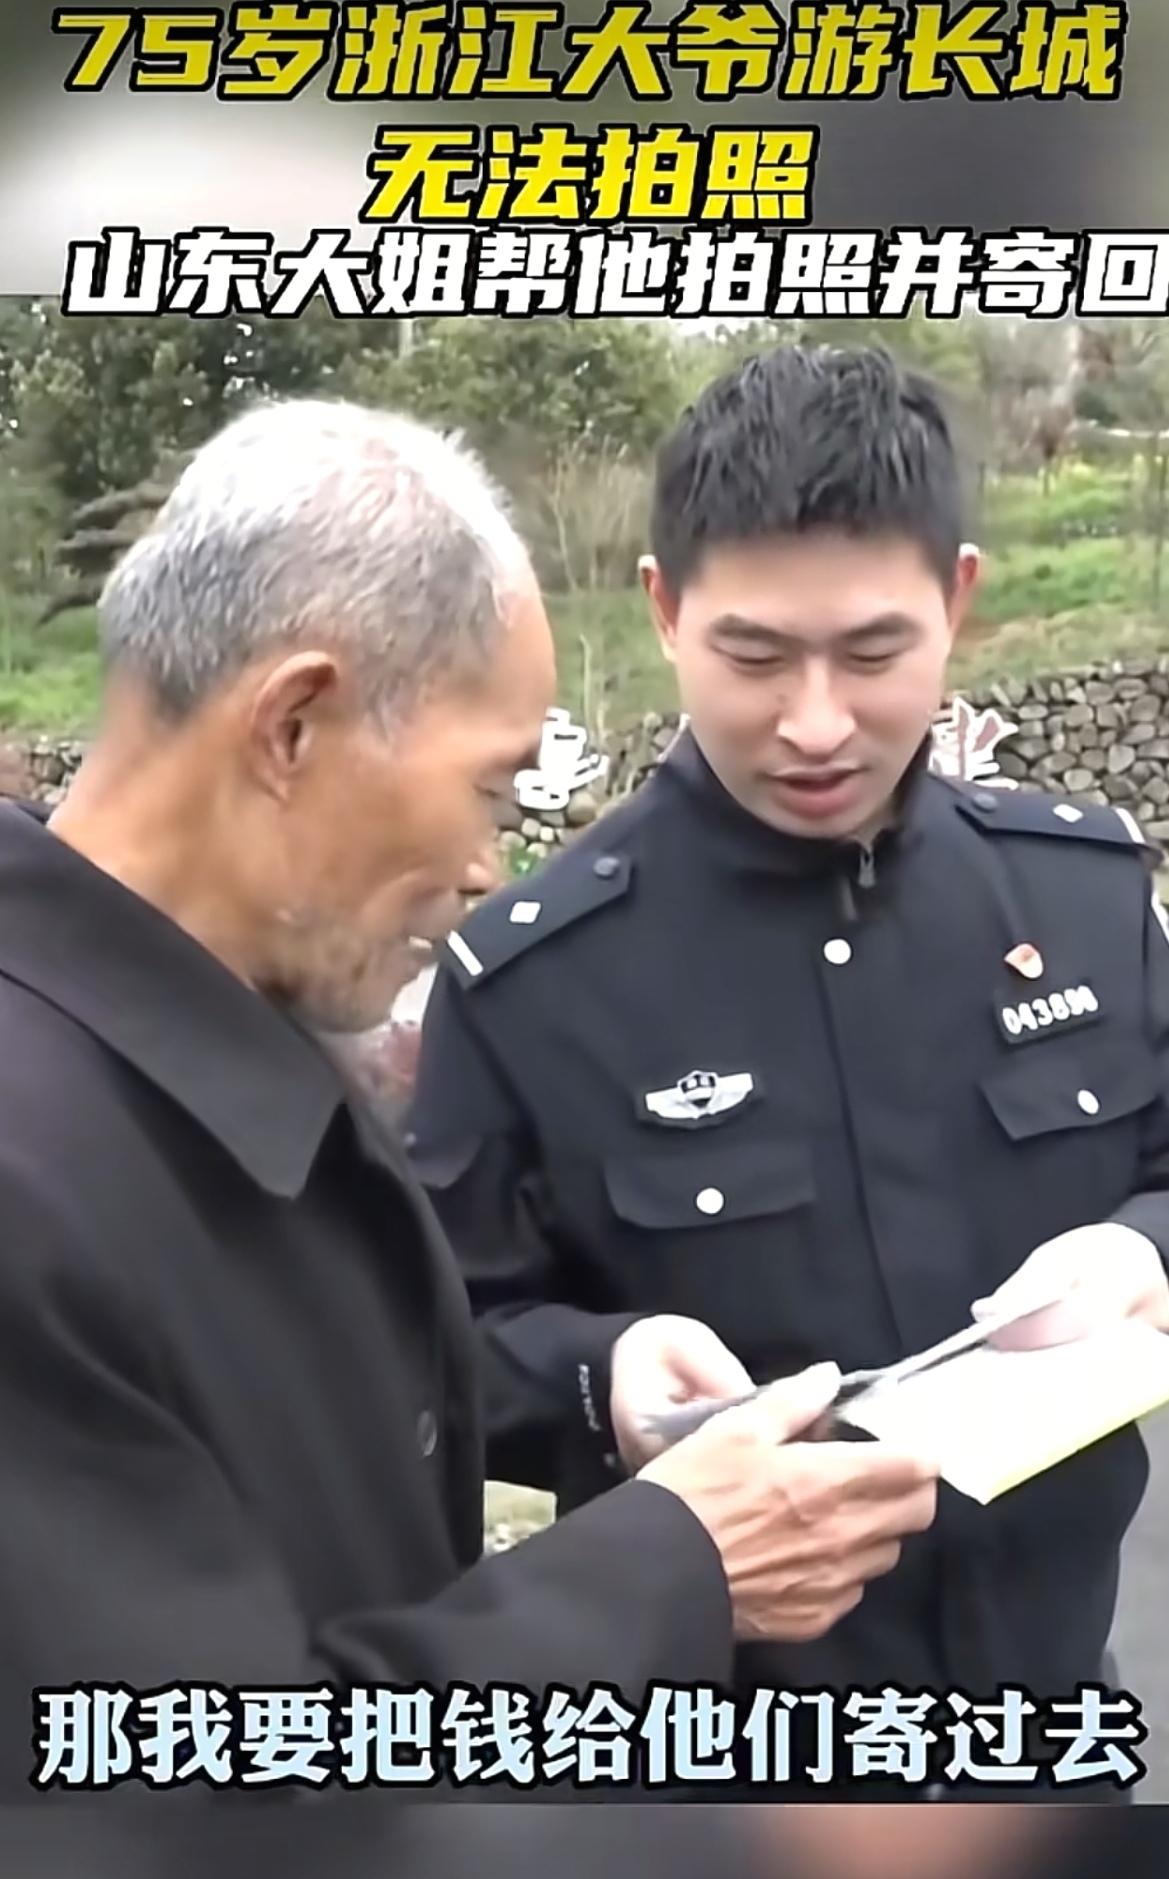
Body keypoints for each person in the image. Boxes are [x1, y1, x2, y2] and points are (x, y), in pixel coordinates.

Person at [0, 396, 940, 1802]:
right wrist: (677, 1563)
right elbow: (185, 1794)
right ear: (295, 726)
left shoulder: (230, 1049)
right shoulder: (33, 1177)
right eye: (490, 792)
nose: (489, 868)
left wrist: (604, 1392)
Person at [405, 344, 1169, 1798]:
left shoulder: (1077, 898)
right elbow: (425, 1340)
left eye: (873, 654)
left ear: (956, 600)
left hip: (1053, 1739)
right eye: (754, 658)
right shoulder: (533, 980)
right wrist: (603, 1380)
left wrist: (1143, 1260)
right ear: (664, 610)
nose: (815, 723)